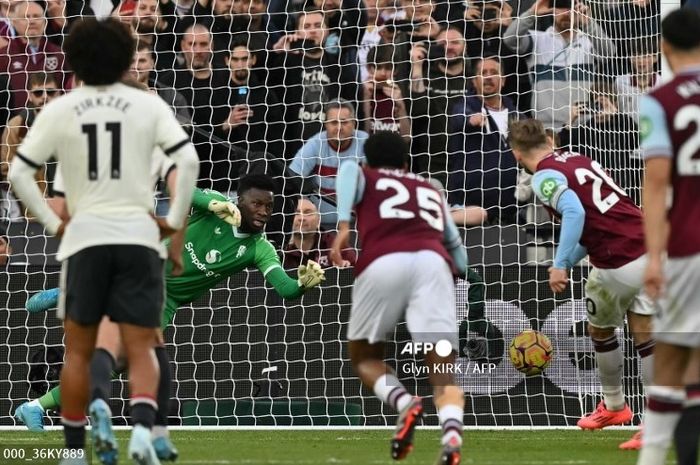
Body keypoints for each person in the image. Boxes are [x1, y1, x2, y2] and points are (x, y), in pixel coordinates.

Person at [16, 176, 327, 459]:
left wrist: (302, 285)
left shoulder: (260, 248)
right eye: (256, 203)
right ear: (240, 201)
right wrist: (214, 203)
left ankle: (34, 405)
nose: (263, 211)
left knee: (119, 364)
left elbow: (284, 288)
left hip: (166, 302)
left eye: (269, 207)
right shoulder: (216, 208)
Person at [7, 17, 200, 465]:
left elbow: (18, 172)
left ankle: (75, 451)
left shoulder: (60, 108)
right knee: (144, 343)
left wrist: (56, 228)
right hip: (137, 239)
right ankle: (144, 432)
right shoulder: (149, 106)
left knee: (77, 351)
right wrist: (171, 224)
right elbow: (186, 164)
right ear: (125, 60)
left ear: (72, 63)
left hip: (86, 242)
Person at [508, 119, 654, 451]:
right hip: (645, 244)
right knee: (635, 334)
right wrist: (571, 261)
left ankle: (623, 409)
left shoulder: (543, 176)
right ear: (549, 138)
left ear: (515, 153)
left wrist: (558, 265)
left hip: (618, 258)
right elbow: (599, 216)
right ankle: (631, 412)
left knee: (608, 332)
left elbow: (575, 213)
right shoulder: (578, 158)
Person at [330, 131, 468, 465]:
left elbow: (348, 171)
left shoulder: (364, 173)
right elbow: (457, 251)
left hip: (383, 260)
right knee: (443, 372)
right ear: (407, 163)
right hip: (434, 265)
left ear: (369, 160)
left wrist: (344, 223)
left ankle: (405, 403)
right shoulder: (430, 191)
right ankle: (451, 436)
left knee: (364, 357)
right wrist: (460, 272)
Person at [637, 9, 700, 465]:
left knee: (671, 361)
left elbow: (657, 183)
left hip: (687, 246)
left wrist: (654, 258)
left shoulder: (659, 100)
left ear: (663, 46)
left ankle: (653, 457)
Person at [503, 0, 616, 129]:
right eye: (561, 7)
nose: (567, 13)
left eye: (572, 8)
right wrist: (531, 13)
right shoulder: (537, 39)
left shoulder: (588, 42)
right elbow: (509, 39)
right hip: (547, 129)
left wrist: (588, 23)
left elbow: (609, 53)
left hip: (584, 127)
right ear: (552, 10)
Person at [288, 99, 368, 227]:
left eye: (344, 122)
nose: (339, 128)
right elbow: (291, 177)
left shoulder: (365, 142)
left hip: (357, 224)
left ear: (354, 123)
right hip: (321, 225)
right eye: (334, 122)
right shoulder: (316, 143)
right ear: (325, 124)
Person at [283, 196, 355, 269]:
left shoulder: (336, 247)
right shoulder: (281, 251)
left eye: (308, 213)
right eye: (296, 213)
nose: (302, 218)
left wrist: (346, 270)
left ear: (318, 220)